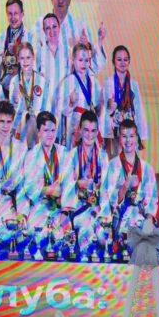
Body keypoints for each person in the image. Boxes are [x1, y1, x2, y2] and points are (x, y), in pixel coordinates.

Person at [21, 110, 69, 258]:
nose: (50, 134)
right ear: (39, 132)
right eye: (46, 130)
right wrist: (48, 190)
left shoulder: (63, 153)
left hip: (59, 209)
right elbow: (29, 188)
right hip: (39, 207)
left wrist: (64, 206)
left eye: (53, 130)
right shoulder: (31, 155)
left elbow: (69, 183)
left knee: (64, 240)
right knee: (36, 237)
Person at [62, 110, 109, 258]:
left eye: (93, 131)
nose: (89, 135)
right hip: (79, 208)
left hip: (97, 208)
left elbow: (107, 189)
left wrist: (102, 211)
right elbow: (65, 187)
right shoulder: (71, 155)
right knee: (86, 232)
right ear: (80, 130)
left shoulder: (103, 156)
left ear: (97, 132)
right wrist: (77, 184)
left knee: (104, 237)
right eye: (86, 130)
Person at [101, 45, 148, 157]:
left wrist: (141, 135)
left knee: (130, 162)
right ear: (113, 61)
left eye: (125, 59)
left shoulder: (134, 84)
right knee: (115, 161)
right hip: (113, 132)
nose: (122, 62)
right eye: (119, 59)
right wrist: (109, 107)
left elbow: (138, 110)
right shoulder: (108, 83)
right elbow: (104, 111)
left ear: (129, 61)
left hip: (129, 132)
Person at [0, 0, 35, 94]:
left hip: (23, 90)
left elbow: (34, 66)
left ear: (22, 14)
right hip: (3, 89)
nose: (13, 18)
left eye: (16, 13)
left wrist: (17, 53)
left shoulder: (31, 38)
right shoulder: (1, 37)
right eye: (10, 14)